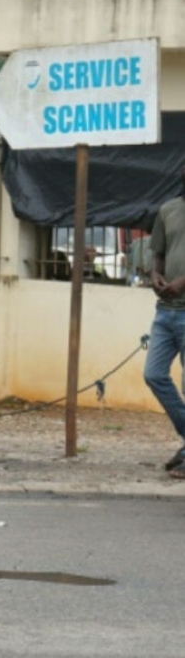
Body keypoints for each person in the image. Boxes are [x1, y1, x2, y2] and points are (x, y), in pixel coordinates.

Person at [143, 169, 185, 478]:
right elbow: (158, 253)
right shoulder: (168, 209)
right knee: (154, 374)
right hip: (165, 310)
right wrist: (155, 275)